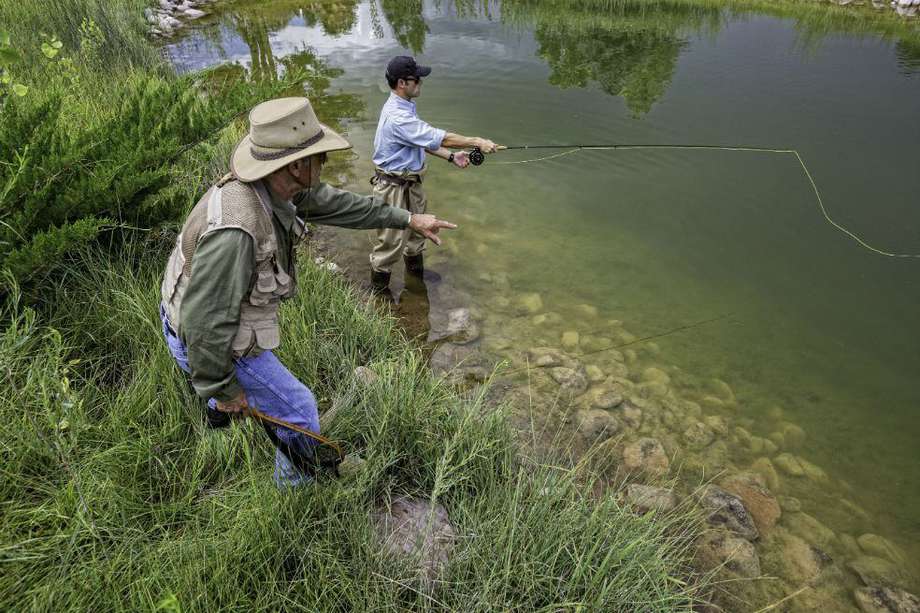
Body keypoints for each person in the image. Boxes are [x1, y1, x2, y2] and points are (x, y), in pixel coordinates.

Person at [159, 97, 456, 487]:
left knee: (255, 397)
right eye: (320, 156)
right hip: (201, 337)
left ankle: (218, 415)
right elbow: (204, 323)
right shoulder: (236, 228)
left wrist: (407, 218)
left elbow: (339, 205)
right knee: (299, 408)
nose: (325, 164)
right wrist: (222, 387)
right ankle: (295, 493)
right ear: (296, 165)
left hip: (202, 325)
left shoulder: (277, 187)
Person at [369, 55, 500, 293]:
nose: (421, 82)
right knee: (390, 243)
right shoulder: (397, 116)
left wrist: (450, 156)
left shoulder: (403, 107)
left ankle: (415, 281)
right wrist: (477, 141)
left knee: (418, 236)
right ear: (402, 83)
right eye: (416, 79)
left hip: (411, 183)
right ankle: (379, 296)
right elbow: (439, 137)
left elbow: (420, 140)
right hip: (392, 188)